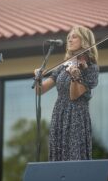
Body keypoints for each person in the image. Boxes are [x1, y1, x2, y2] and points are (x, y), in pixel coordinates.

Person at [35, 26, 99, 161]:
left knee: (74, 156)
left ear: (85, 41)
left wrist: (75, 77)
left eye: (74, 37)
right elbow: (40, 90)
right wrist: (38, 78)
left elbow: (74, 95)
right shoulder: (64, 66)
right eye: (68, 37)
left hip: (76, 115)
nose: (69, 40)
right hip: (60, 113)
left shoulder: (91, 68)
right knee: (58, 158)